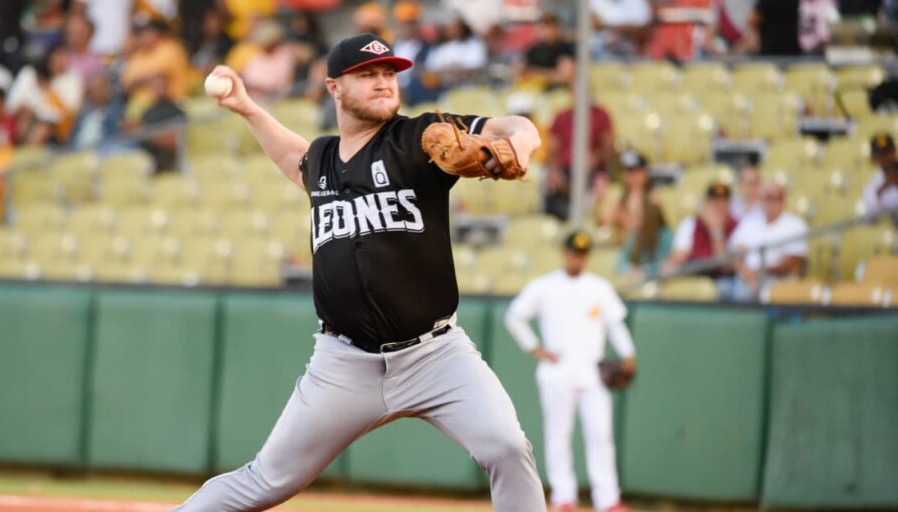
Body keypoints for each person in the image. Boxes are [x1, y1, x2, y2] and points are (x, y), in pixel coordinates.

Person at [174, 33, 546, 512]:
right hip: (343, 364)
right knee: (265, 481)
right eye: (367, 74)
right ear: (334, 87)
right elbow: (292, 157)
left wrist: (518, 145)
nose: (383, 82)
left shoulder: (417, 137)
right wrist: (247, 108)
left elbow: (519, 125)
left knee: (508, 448)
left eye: (389, 73)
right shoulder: (323, 159)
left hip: (436, 355)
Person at [504, 230, 636, 512]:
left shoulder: (599, 287)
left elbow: (615, 324)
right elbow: (514, 316)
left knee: (601, 435)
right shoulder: (545, 286)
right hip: (557, 372)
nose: (577, 258)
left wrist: (628, 354)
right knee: (559, 435)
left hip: (593, 374)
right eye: (574, 253)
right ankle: (563, 497)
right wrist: (535, 347)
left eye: (583, 254)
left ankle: (607, 499)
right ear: (565, 253)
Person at [727, 183, 808, 301]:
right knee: (720, 288)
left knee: (742, 294)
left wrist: (760, 272)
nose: (770, 203)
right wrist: (745, 272)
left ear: (783, 201)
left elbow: (793, 262)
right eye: (766, 198)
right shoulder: (750, 220)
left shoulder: (795, 225)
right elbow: (736, 251)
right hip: (743, 280)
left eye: (774, 198)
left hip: (777, 283)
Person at [545, 86, 615, 221]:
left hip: (592, 171)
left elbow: (609, 147)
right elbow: (552, 151)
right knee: (552, 191)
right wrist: (555, 171)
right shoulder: (561, 117)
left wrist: (596, 157)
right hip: (566, 171)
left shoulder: (600, 116)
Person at [606, 150, 673, 277]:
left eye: (635, 172)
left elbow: (660, 229)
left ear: (644, 173)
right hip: (626, 252)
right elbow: (605, 222)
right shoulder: (620, 197)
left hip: (646, 254)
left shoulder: (653, 199)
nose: (631, 177)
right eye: (628, 172)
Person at [663, 181, 738, 280]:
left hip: (724, 280)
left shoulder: (736, 226)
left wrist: (716, 230)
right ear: (706, 203)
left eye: (722, 201)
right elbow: (677, 257)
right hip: (696, 276)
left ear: (728, 204)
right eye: (714, 201)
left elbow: (724, 265)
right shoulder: (691, 224)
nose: (718, 205)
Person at [516, 12, 575, 91]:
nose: (546, 31)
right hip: (531, 90)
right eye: (543, 27)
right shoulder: (533, 49)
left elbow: (564, 77)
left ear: (557, 28)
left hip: (555, 92)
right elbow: (519, 71)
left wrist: (535, 73)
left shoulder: (564, 49)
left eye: (549, 27)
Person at [863, 132, 898, 227]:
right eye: (880, 154)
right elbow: (872, 222)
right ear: (874, 159)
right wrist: (881, 190)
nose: (886, 157)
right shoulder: (872, 187)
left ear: (894, 151)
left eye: (888, 152)